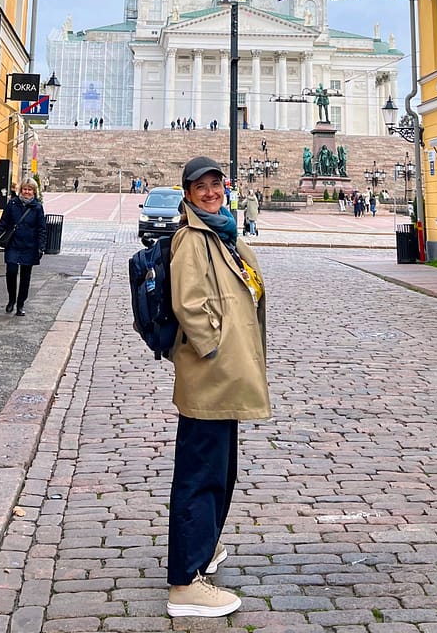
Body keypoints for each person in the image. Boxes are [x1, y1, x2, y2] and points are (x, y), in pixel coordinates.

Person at [166, 157, 270, 618]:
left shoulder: (223, 234)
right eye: (200, 187)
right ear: (187, 194)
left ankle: (202, 548)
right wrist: (214, 350)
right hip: (212, 373)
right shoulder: (192, 239)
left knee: (219, 470)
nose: (210, 192)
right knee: (200, 474)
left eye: (216, 184)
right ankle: (185, 583)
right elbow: (189, 306)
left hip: (225, 374)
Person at [0, 178, 47, 317]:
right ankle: (11, 300)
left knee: (25, 276)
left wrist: (41, 247)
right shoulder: (12, 204)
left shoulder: (37, 207)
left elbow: (42, 229)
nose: (27, 192)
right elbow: (3, 222)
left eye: (29, 189)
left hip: (30, 245)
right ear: (21, 190)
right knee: (11, 271)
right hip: (13, 244)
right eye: (25, 189)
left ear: (33, 192)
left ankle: (20, 304)